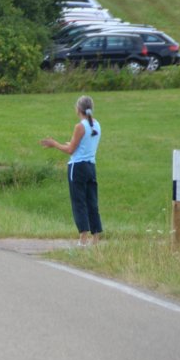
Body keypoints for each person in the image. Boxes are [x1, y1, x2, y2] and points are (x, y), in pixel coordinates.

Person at [40, 95, 103, 247]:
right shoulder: (96, 124)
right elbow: (84, 145)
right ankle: (95, 238)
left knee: (79, 202)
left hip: (78, 167)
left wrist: (54, 143)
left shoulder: (80, 126)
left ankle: (83, 238)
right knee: (92, 202)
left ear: (78, 109)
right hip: (91, 166)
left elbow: (70, 150)